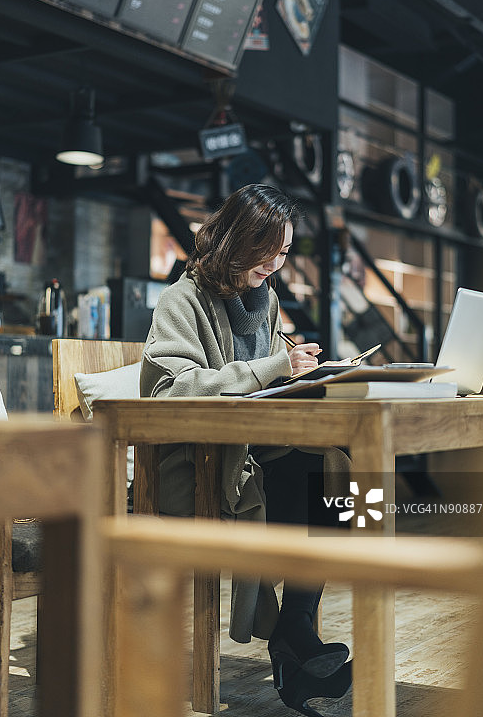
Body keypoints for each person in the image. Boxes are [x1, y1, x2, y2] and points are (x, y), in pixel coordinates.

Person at [140, 184, 352, 716]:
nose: (278, 264)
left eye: (285, 253)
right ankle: (294, 636)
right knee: (313, 472)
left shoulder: (263, 301)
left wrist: (309, 376)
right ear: (240, 239)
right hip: (196, 468)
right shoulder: (181, 300)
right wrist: (276, 368)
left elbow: (267, 388)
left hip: (251, 455)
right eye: (272, 251)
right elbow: (173, 391)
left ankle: (295, 626)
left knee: (340, 470)